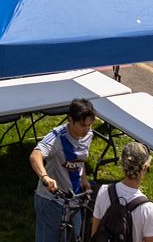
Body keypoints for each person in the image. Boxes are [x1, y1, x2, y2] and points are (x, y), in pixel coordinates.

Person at [30, 99, 97, 242]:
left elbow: (80, 159)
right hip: (51, 200)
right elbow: (35, 156)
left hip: (75, 199)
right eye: (82, 125)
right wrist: (45, 177)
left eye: (90, 125)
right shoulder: (56, 137)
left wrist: (83, 178)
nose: (86, 129)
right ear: (70, 120)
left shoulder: (88, 135)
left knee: (77, 237)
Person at [92, 141, 153, 242]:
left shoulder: (104, 191)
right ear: (144, 168)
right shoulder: (148, 209)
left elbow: (94, 233)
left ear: (122, 164)